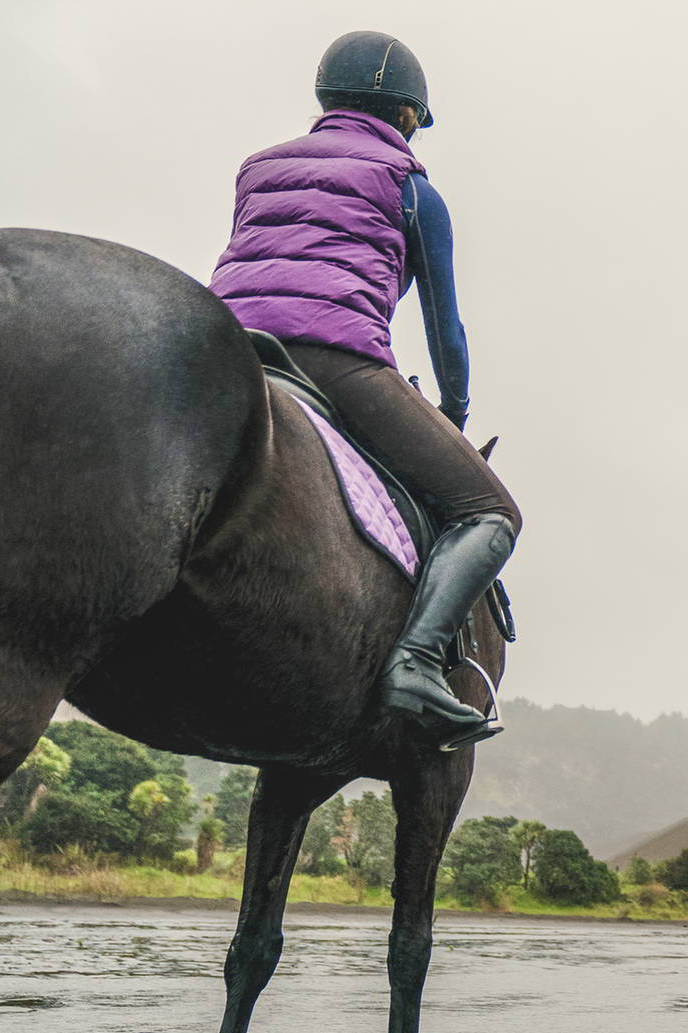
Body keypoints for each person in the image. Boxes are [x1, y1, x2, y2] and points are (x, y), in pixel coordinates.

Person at [209, 31, 521, 752]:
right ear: (408, 115)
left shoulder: (258, 170)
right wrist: (453, 413)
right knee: (493, 511)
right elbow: (445, 327)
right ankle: (413, 665)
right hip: (334, 360)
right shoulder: (413, 189)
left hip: (228, 356)